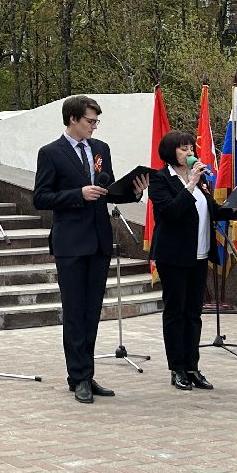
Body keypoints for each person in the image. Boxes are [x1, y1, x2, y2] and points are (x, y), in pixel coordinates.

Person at [33, 95, 147, 405]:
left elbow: (105, 192)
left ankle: (87, 372)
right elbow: (41, 197)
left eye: (96, 122)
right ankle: (78, 376)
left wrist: (132, 193)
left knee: (92, 311)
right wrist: (77, 194)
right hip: (70, 242)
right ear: (72, 119)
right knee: (74, 311)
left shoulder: (101, 149)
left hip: (98, 240)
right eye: (89, 121)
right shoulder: (51, 153)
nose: (94, 126)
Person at [146, 130, 237, 390]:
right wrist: (190, 184)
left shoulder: (202, 180)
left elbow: (212, 211)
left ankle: (192, 366)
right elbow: (170, 212)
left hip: (200, 254)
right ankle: (176, 368)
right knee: (175, 313)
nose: (189, 153)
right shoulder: (160, 180)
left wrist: (235, 207)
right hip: (173, 256)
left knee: (194, 313)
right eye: (183, 149)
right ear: (171, 152)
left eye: (191, 148)